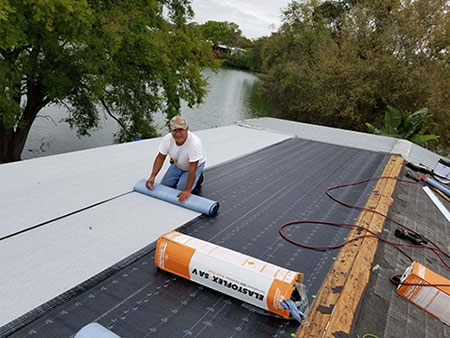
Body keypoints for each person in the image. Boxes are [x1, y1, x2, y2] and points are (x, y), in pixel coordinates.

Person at [146, 115, 206, 203]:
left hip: (194, 166)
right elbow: (160, 158)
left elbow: (192, 170)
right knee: (165, 185)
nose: (177, 134)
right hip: (178, 164)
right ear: (171, 131)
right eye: (174, 130)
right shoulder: (168, 139)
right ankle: (183, 176)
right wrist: (152, 177)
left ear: (187, 129)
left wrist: (187, 191)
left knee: (180, 189)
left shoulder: (194, 144)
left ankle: (199, 177)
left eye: (181, 130)